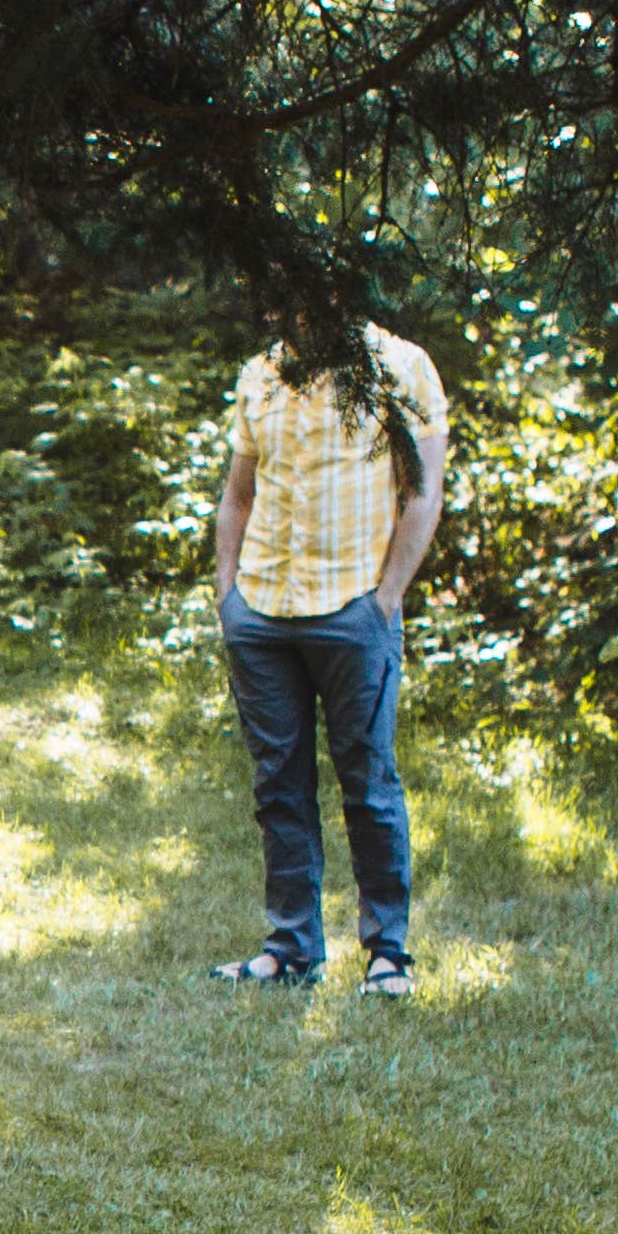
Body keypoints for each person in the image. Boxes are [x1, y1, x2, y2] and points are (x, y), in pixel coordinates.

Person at [207, 312, 450, 997]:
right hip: (262, 614)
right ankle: (291, 949)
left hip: (354, 609)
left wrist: (387, 598)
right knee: (278, 786)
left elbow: (423, 492)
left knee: (368, 785)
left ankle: (388, 956)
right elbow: (238, 496)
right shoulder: (261, 372)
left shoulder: (401, 367)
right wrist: (229, 596)